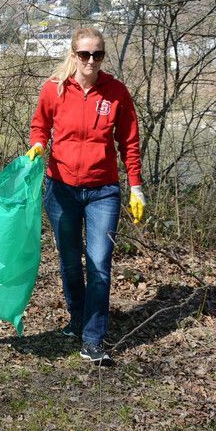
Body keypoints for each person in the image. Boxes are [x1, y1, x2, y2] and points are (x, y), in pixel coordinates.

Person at [28, 27, 145, 365]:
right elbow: (40, 125)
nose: (91, 60)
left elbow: (129, 143)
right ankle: (77, 318)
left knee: (99, 264)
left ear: (103, 56)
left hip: (102, 191)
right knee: (68, 260)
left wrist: (135, 186)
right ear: (73, 54)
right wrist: (38, 145)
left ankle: (93, 339)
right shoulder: (55, 89)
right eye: (84, 54)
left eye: (97, 55)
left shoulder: (117, 93)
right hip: (60, 188)